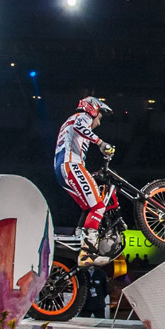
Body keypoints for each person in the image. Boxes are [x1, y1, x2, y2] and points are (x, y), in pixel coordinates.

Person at [55, 96, 115, 267]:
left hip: (63, 168)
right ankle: (88, 251)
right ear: (93, 109)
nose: (99, 123)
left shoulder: (69, 121)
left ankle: (82, 240)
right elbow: (80, 127)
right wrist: (101, 142)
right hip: (71, 165)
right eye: (100, 117)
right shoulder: (82, 117)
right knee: (98, 205)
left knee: (89, 206)